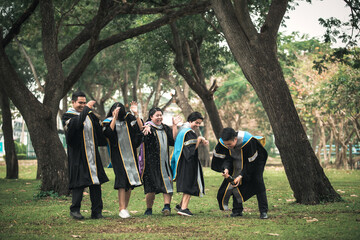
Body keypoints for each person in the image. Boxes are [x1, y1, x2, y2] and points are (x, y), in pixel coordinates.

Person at [62, 91, 109, 220]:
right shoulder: (67, 116)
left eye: (84, 103)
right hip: (78, 155)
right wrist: (87, 108)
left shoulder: (89, 115)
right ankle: (75, 210)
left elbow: (99, 132)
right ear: (73, 102)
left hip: (92, 154)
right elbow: (75, 125)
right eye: (80, 103)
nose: (83, 105)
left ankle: (96, 212)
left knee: (95, 182)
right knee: (79, 183)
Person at [211, 127, 269, 219]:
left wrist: (241, 175)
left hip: (254, 162)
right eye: (226, 145)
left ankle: (263, 211)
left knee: (258, 182)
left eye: (229, 144)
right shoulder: (225, 143)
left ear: (235, 139)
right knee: (234, 182)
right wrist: (226, 169)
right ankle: (237, 210)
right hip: (237, 162)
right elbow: (227, 158)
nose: (228, 146)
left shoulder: (248, 141)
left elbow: (251, 162)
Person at [102, 101, 143, 219]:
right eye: (116, 110)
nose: (119, 112)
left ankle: (125, 208)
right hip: (118, 156)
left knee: (130, 182)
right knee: (121, 181)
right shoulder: (108, 121)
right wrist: (114, 117)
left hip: (131, 155)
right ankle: (121, 208)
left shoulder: (129, 118)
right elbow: (108, 133)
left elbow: (140, 129)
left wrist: (136, 113)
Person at [141, 107, 182, 216]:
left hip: (164, 163)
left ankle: (166, 207)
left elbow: (173, 140)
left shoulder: (164, 128)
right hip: (151, 163)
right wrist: (145, 129)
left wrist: (174, 125)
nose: (159, 117)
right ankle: (148, 209)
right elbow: (141, 137)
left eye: (160, 115)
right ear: (151, 117)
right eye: (157, 115)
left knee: (167, 183)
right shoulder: (148, 127)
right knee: (150, 188)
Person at [171, 112, 208, 217]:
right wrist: (199, 140)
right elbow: (190, 151)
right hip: (187, 162)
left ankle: (181, 205)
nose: (198, 125)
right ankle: (183, 208)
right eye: (196, 122)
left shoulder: (182, 130)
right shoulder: (189, 132)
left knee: (189, 183)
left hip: (181, 161)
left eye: (199, 123)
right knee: (189, 184)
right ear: (190, 121)